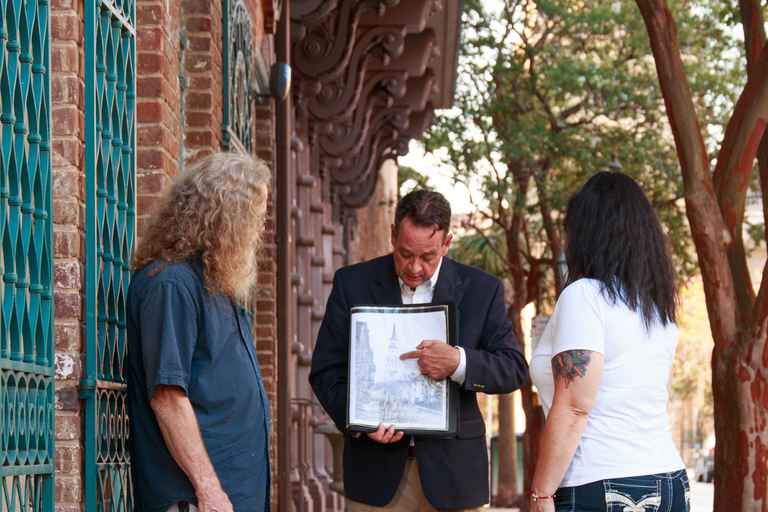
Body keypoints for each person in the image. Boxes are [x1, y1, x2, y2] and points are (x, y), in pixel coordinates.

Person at [310, 189, 529, 511]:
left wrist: (458, 362)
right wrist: (361, 421)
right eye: (404, 253)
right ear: (393, 234)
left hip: (454, 475)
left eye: (427, 257)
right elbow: (326, 369)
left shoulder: (483, 289)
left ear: (447, 243)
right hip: (376, 473)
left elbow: (513, 369)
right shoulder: (351, 283)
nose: (414, 267)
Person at [529, 170, 689, 512]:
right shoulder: (654, 308)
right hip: (669, 480)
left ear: (586, 232)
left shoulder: (584, 296)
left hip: (603, 485)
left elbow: (575, 405)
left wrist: (541, 493)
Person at [127, 152, 272, 512]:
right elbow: (167, 397)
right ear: (230, 215)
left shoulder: (214, 282)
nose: (261, 227)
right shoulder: (171, 285)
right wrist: (208, 489)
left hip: (230, 492)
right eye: (257, 216)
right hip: (196, 498)